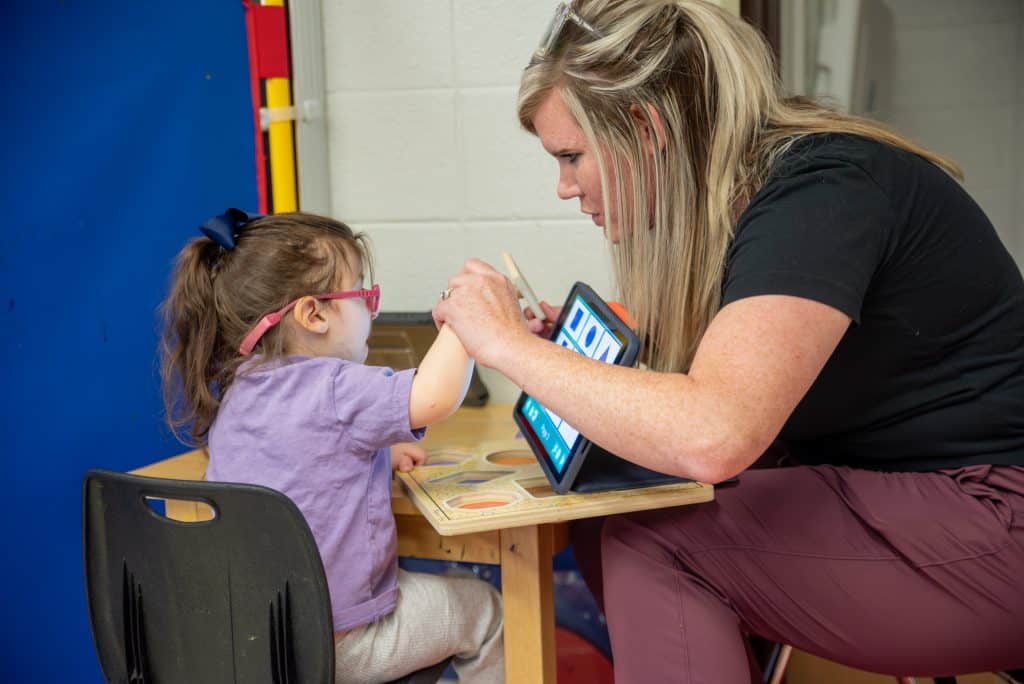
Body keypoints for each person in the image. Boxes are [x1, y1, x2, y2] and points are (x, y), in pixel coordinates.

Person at [432, 1, 1024, 681]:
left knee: (653, 544)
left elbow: (713, 434)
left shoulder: (820, 192)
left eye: (571, 156)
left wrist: (510, 347)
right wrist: (565, 355)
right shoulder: (747, 198)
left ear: (644, 127)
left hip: (994, 514)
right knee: (607, 517)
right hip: (912, 495)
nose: (565, 188)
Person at [159, 209, 503, 684]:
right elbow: (436, 396)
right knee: (485, 610)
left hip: (257, 643)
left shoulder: (239, 387)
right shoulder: (337, 386)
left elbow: (304, 456)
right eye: (364, 294)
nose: (372, 309)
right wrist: (466, 319)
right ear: (313, 313)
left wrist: (380, 452)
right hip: (342, 645)